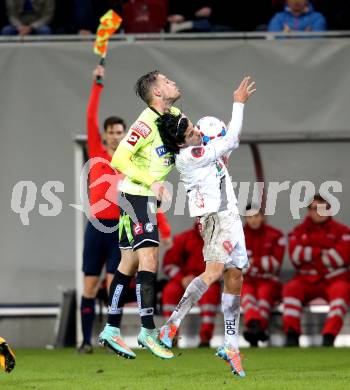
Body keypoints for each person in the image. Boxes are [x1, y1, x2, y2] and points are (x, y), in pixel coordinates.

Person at [156, 76, 256, 377]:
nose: (197, 132)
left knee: (235, 275)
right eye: (190, 131)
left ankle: (230, 343)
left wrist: (220, 145)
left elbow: (223, 153)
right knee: (214, 273)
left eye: (194, 127)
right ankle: (171, 325)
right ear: (180, 142)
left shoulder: (198, 150)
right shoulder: (190, 156)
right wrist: (238, 104)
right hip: (217, 218)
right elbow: (232, 140)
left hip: (230, 217)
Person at [79, 65, 172, 354]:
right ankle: (85, 340)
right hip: (98, 226)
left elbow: (145, 195)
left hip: (123, 220)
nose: (116, 135)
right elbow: (90, 116)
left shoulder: (134, 158)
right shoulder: (97, 151)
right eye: (112, 131)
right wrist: (97, 85)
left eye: (120, 131)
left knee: (115, 278)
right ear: (105, 135)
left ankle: (111, 332)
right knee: (90, 286)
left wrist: (164, 226)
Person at [98, 70, 182, 360]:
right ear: (157, 92)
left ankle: (111, 328)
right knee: (149, 259)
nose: (173, 82)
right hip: (138, 195)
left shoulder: (175, 114)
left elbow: (191, 138)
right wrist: (153, 181)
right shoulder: (144, 123)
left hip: (136, 197)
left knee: (129, 263)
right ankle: (147, 330)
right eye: (167, 81)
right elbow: (118, 158)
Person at [283, 194, 350, 347]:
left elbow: (343, 257)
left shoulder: (342, 231)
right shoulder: (299, 231)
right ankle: (292, 335)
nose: (318, 212)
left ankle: (329, 336)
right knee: (290, 289)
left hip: (334, 279)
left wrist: (309, 253)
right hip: (306, 279)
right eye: (314, 209)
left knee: (342, 292)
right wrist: (323, 252)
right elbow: (295, 257)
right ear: (309, 211)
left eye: (322, 208)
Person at [162, 222, 220, 347]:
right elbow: (168, 265)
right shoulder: (182, 238)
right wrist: (181, 279)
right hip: (184, 281)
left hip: (207, 281)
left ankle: (205, 338)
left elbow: (222, 268)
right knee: (170, 291)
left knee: (210, 293)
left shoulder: (218, 240)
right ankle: (171, 336)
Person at [241, 204, 285, 346]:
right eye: (249, 217)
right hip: (247, 281)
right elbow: (234, 264)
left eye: (256, 216)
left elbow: (275, 264)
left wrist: (253, 262)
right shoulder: (237, 235)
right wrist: (261, 263)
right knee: (247, 296)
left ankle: (254, 327)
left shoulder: (275, 235)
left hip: (268, 281)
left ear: (262, 217)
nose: (253, 220)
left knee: (264, 296)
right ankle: (257, 327)